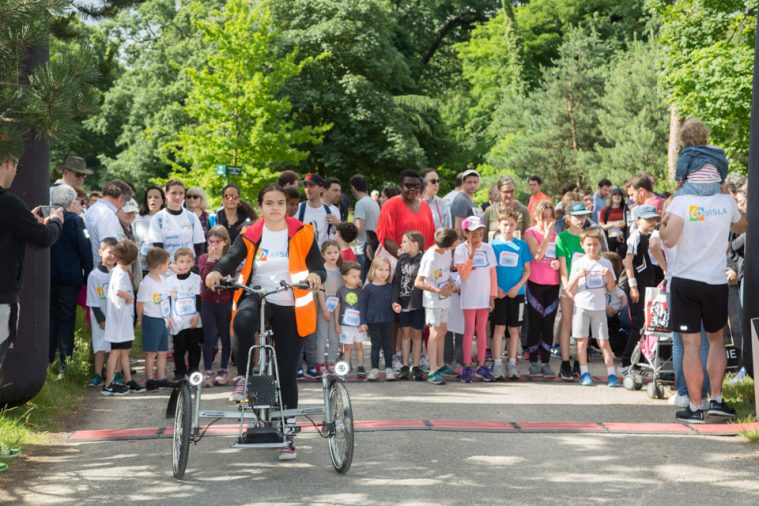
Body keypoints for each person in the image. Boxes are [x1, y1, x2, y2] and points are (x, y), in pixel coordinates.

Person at [205, 184, 324, 461]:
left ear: (286, 206)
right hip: (258, 295)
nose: (275, 208)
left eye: (280, 203)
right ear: (261, 206)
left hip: (290, 301)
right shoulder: (251, 233)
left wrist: (318, 276)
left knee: (286, 372)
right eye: (269, 203)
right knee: (243, 322)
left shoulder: (303, 233)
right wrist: (217, 271)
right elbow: (232, 257)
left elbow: (317, 265)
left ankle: (288, 434)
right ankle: (246, 377)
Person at [660, 182, 746, 423]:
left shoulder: (682, 203)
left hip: (685, 281)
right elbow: (743, 226)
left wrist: (665, 221)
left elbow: (664, 241)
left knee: (690, 345)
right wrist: (726, 197)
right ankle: (716, 399)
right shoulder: (725, 202)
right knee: (716, 340)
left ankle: (696, 407)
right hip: (715, 281)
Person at [0, 156, 63, 370]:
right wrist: (56, 221)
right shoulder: (7, 202)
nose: (16, 172)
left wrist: (25, 219)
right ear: (7, 163)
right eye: (16, 166)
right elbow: (43, 238)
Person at [48, 184, 92, 378]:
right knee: (66, 320)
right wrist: (87, 275)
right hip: (69, 278)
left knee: (49, 319)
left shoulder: (46, 218)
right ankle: (66, 364)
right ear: (70, 202)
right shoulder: (75, 221)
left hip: (48, 277)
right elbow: (85, 249)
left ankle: (47, 361)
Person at [566, 229, 619, 387]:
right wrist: (578, 276)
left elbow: (610, 288)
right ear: (582, 245)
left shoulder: (606, 263)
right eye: (588, 244)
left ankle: (611, 375)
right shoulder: (578, 263)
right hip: (582, 307)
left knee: (603, 342)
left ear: (600, 245)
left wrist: (609, 275)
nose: (592, 247)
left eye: (595, 244)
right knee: (582, 342)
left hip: (599, 308)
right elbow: (569, 287)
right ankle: (584, 373)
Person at [490, 210, 532, 380]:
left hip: (517, 294)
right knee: (499, 329)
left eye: (512, 225)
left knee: (514, 330)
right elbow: (489, 270)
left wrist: (517, 287)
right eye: (505, 224)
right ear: (499, 225)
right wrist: (495, 288)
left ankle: (513, 363)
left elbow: (528, 270)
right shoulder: (492, 245)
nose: (508, 228)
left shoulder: (521, 245)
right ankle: (498, 364)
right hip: (499, 294)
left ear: (516, 226)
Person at [621, 205, 664, 370]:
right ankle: (627, 362)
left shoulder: (649, 236)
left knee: (646, 325)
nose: (652, 222)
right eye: (649, 219)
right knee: (638, 325)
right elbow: (628, 261)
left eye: (654, 219)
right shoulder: (635, 236)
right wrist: (633, 286)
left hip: (647, 285)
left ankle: (638, 361)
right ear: (637, 220)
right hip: (637, 286)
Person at [454, 216, 497, 383]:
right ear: (465, 233)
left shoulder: (487, 248)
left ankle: (481, 365)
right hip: (469, 297)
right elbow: (463, 275)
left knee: (481, 330)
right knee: (469, 330)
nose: (478, 235)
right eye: (473, 232)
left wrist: (492, 297)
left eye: (480, 232)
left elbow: (493, 274)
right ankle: (467, 365)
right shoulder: (460, 250)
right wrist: (470, 256)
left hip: (484, 297)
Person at [415, 227, 459, 385]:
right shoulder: (430, 257)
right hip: (433, 300)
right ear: (447, 245)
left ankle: (440, 365)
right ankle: (432, 370)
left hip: (444, 298)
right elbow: (418, 282)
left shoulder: (446, 252)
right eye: (455, 243)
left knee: (443, 330)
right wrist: (438, 290)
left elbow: (445, 272)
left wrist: (452, 283)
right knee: (434, 332)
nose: (457, 244)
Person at [102, 239, 144, 395]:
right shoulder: (120, 274)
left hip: (121, 320)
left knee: (124, 351)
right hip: (119, 320)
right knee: (116, 352)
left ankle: (128, 380)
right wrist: (129, 298)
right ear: (133, 260)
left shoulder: (118, 271)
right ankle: (108, 384)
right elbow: (119, 292)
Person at [523, 200, 560, 377]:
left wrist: (557, 263)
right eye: (543, 216)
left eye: (550, 216)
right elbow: (537, 256)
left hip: (553, 284)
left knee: (548, 323)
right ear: (536, 216)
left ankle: (546, 360)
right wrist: (546, 235)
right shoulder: (530, 232)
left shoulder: (557, 235)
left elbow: (560, 258)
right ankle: (533, 361)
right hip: (536, 283)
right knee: (535, 322)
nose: (547, 219)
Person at [556, 202, 590, 380]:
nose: (581, 219)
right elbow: (563, 266)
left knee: (583, 325)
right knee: (567, 323)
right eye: (577, 216)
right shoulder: (561, 237)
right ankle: (565, 362)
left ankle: (580, 361)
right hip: (568, 286)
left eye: (583, 216)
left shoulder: (588, 236)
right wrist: (567, 287)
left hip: (586, 288)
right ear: (568, 217)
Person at [198, 226, 234, 387]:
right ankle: (207, 370)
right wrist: (211, 262)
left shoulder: (230, 258)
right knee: (209, 337)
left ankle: (223, 369)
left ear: (225, 242)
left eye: (217, 242)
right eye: (210, 241)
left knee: (225, 336)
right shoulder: (203, 258)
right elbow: (206, 278)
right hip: (208, 303)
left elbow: (230, 279)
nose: (213, 245)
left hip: (225, 303)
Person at [136, 248, 173, 391]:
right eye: (167, 264)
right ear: (160, 266)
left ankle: (162, 377)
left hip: (162, 319)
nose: (169, 266)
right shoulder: (147, 283)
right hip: (151, 320)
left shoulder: (163, 280)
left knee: (163, 351)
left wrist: (168, 316)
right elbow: (140, 303)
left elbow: (165, 300)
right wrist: (141, 318)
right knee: (151, 352)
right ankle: (150, 379)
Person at [375, 170, 435, 258]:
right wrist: (406, 261)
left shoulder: (425, 206)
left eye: (416, 186)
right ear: (401, 186)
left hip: (421, 262)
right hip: (397, 261)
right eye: (408, 185)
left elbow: (431, 238)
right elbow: (387, 240)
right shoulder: (390, 205)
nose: (413, 189)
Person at [392, 231, 426, 381]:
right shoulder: (402, 260)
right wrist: (395, 301)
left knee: (417, 334)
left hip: (418, 303)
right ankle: (405, 365)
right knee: (405, 334)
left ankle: (416, 365)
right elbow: (396, 282)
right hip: (404, 302)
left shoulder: (423, 260)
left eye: (404, 242)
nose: (401, 245)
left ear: (415, 244)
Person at [86, 238, 117, 388]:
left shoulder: (118, 273)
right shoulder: (94, 275)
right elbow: (92, 300)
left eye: (116, 253)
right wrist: (101, 320)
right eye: (109, 252)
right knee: (100, 346)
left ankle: (114, 374)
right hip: (100, 318)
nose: (112, 256)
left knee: (114, 347)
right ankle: (98, 374)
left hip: (116, 317)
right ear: (100, 252)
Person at [167, 247, 203, 380]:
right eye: (181, 261)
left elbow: (200, 298)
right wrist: (168, 318)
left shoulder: (196, 279)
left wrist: (197, 315)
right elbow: (167, 301)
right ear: (175, 263)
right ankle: (180, 372)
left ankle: (193, 371)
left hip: (194, 320)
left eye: (188, 261)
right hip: (177, 321)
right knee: (179, 348)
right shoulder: (170, 281)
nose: (185, 264)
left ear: (193, 262)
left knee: (194, 347)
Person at [149, 180, 206, 262]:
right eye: (174, 193)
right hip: (167, 270)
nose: (178, 197)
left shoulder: (192, 217)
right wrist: (169, 266)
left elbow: (199, 247)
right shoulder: (157, 219)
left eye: (181, 193)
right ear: (166, 194)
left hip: (190, 270)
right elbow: (158, 250)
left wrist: (194, 266)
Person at [361, 256, 396, 381]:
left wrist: (396, 306)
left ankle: (389, 369)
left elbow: (394, 302)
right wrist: (363, 322)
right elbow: (363, 306)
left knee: (387, 345)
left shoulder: (390, 287)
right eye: (380, 269)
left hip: (387, 320)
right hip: (373, 321)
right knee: (375, 346)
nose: (383, 273)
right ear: (373, 270)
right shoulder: (368, 288)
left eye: (386, 270)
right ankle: (374, 369)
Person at [675, 118, 728, 197]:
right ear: (705, 134)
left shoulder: (688, 152)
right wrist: (722, 180)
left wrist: (679, 179)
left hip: (694, 187)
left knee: (676, 198)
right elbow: (724, 166)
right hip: (714, 187)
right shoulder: (716, 150)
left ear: (684, 138)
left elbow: (681, 168)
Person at [85, 180, 132, 263]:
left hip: (92, 266)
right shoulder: (108, 215)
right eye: (125, 203)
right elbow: (110, 249)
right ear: (121, 198)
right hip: (105, 270)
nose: (123, 206)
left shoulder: (91, 209)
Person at [316, 240, 343, 375]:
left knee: (334, 336)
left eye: (336, 252)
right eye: (329, 253)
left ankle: (332, 362)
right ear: (323, 254)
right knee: (322, 336)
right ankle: (320, 363)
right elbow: (320, 291)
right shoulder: (322, 271)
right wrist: (325, 310)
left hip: (336, 305)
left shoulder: (340, 272)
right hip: (323, 305)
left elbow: (339, 294)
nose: (333, 255)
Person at [334, 262, 366, 377]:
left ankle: (361, 366)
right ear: (345, 278)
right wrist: (337, 323)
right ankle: (346, 367)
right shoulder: (341, 291)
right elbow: (337, 307)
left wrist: (363, 322)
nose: (357, 279)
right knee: (347, 347)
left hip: (358, 325)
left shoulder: (361, 291)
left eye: (359, 276)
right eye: (354, 276)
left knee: (359, 346)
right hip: (345, 325)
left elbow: (364, 307)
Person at [297, 173, 341, 247]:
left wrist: (339, 224)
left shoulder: (331, 211)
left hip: (322, 257)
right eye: (306, 186)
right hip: (301, 256)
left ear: (322, 189)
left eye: (311, 186)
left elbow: (340, 235)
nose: (308, 189)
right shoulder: (298, 208)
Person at [350, 174, 380, 279]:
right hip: (372, 246)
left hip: (362, 248)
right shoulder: (374, 202)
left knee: (360, 280)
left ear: (353, 188)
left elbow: (358, 228)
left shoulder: (360, 203)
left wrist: (340, 225)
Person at [482, 176, 530, 242]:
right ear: (499, 191)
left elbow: (528, 238)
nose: (509, 195)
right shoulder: (489, 211)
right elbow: (483, 238)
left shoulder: (524, 211)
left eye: (512, 191)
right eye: (506, 192)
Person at [133, 185, 165, 276]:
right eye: (149, 197)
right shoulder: (137, 217)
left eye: (156, 197)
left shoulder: (167, 219)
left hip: (161, 267)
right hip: (140, 268)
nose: (152, 199)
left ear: (162, 201)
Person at [450, 169, 480, 238]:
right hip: (464, 243)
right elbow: (459, 228)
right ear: (463, 183)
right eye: (469, 182)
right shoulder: (461, 200)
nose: (472, 185)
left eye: (475, 182)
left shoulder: (469, 199)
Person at [599, 188, 627, 255]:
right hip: (609, 241)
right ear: (611, 197)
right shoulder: (605, 210)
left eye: (619, 195)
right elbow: (602, 226)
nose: (617, 197)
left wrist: (622, 229)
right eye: (615, 195)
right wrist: (614, 225)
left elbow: (628, 223)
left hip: (623, 239)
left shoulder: (625, 209)